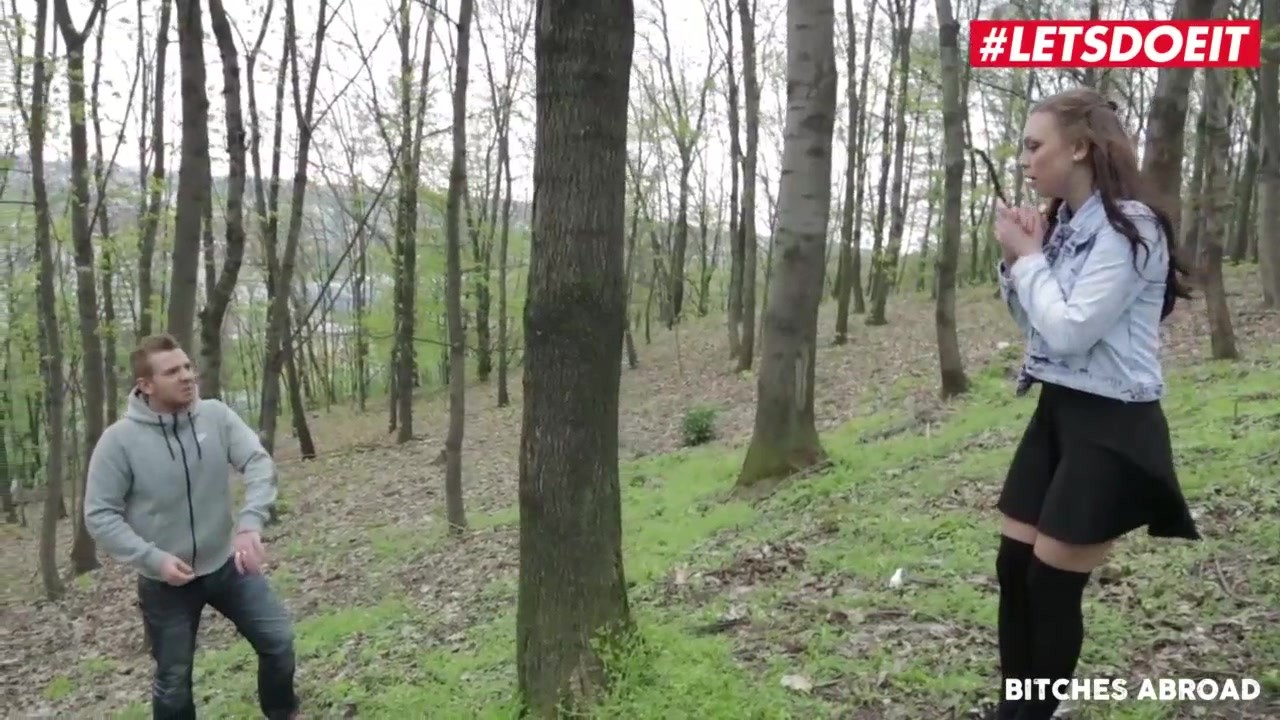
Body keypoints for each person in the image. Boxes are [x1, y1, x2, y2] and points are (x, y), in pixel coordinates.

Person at [990, 87, 1200, 720]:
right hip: (1058, 411)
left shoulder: (1130, 226)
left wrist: (1031, 260)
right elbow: (1037, 326)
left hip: (1114, 424)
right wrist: (1017, 260)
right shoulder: (1064, 225)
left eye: (1035, 145)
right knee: (1013, 568)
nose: (1024, 159)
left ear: (1079, 147)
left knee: (1051, 585)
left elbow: (1071, 330)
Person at [84, 333, 300, 720]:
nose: (186, 376)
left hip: (228, 565)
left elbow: (257, 462)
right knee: (174, 680)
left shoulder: (216, 416)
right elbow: (99, 514)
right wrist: (152, 559)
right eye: (172, 372)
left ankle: (283, 713)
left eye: (187, 366)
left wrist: (250, 522)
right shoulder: (119, 442)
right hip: (166, 582)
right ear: (146, 385)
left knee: (278, 642)